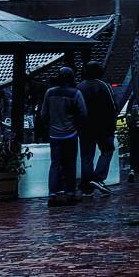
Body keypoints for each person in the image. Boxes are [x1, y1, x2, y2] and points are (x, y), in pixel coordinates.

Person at [40, 66, 87, 203]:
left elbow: (43, 114)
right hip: (70, 134)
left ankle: (52, 193)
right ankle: (70, 192)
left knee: (55, 164)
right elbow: (83, 113)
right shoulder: (76, 93)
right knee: (70, 163)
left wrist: (49, 126)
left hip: (54, 134)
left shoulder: (50, 92)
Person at [77, 62, 117, 196]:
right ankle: (98, 178)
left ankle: (86, 187)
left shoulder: (80, 87)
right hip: (104, 126)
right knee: (107, 150)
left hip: (85, 128)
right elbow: (112, 106)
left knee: (86, 156)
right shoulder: (103, 86)